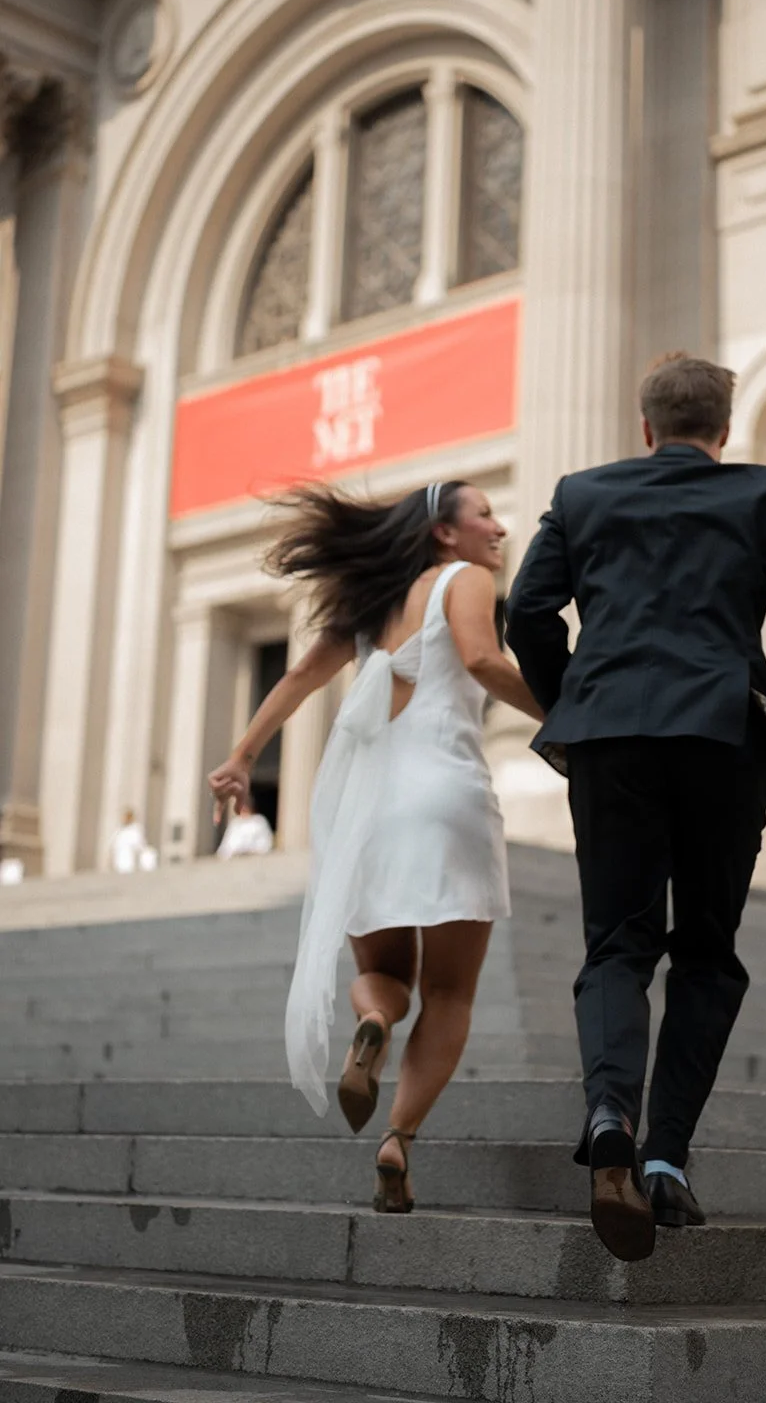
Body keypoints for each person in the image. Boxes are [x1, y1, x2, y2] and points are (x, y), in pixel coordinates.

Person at [506, 353, 766, 1262]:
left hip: (612, 737)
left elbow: (528, 613)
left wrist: (570, 704)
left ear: (645, 425)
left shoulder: (581, 495)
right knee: (705, 951)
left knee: (618, 944)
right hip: (723, 738)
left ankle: (611, 1109)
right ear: (725, 430)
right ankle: (665, 1161)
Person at [208, 481, 541, 1212]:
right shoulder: (468, 580)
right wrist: (565, 717)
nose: (499, 526)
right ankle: (397, 1140)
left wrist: (240, 757)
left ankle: (373, 1023)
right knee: (450, 992)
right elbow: (484, 662)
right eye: (484, 514)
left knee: (386, 975)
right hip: (445, 795)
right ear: (445, 535)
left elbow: (299, 676)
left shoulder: (369, 604)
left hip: (365, 808)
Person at [108, 808, 158, 874]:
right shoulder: (120, 830)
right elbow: (113, 843)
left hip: (130, 860)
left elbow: (139, 844)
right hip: (119, 859)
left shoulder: (135, 829)